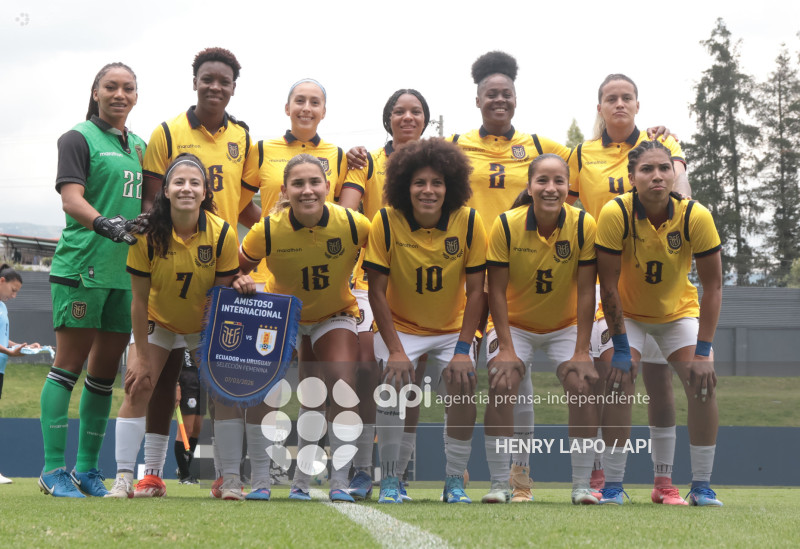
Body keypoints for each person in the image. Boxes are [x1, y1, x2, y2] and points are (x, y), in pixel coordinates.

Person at [140, 47, 259, 493]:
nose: (215, 87)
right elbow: (153, 202)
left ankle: (227, 475)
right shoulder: (166, 132)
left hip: (222, 270)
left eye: (224, 81)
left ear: (233, 88)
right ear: (195, 81)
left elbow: (246, 206)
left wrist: (271, 235)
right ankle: (151, 472)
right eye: (207, 78)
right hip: (173, 265)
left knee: (224, 378)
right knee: (161, 377)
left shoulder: (242, 138)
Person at [567, 73, 689, 503]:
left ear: (638, 104)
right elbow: (561, 205)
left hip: (660, 285)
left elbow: (683, 195)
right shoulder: (580, 154)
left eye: (627, 97)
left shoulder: (662, 144)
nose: (619, 104)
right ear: (599, 108)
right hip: (608, 283)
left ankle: (663, 481)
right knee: (610, 376)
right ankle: (601, 474)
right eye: (610, 99)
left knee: (659, 382)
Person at [594, 139, 723, 506]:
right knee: (619, 380)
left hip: (676, 313)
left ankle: (701, 486)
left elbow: (713, 287)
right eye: (647, 170)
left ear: (673, 174)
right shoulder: (614, 212)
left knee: (703, 384)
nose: (657, 176)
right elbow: (608, 285)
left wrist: (703, 352)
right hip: (627, 314)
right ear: (632, 177)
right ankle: (614, 486)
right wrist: (620, 348)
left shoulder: (695, 215)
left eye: (664, 168)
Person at [235, 153, 370, 502]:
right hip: (284, 314)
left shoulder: (354, 224)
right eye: (298, 183)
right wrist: (241, 280)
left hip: (333, 313)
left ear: (328, 187)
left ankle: (337, 481)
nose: (307, 190)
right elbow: (235, 267)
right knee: (265, 388)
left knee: (342, 384)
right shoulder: (267, 228)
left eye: (314, 182)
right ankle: (262, 480)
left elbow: (385, 260)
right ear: (285, 189)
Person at [39, 62, 145, 498]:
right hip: (82, 268)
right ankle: (51, 470)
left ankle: (86, 470)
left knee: (103, 377)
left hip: (125, 276)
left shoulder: (140, 146)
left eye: (128, 88)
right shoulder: (78, 138)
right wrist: (104, 223)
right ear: (96, 92)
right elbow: (71, 198)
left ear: (136, 96)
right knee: (67, 368)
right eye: (111, 87)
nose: (120, 94)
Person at [107, 153, 241, 498]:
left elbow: (221, 296)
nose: (186, 188)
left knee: (225, 392)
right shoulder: (146, 234)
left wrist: (212, 347)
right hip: (159, 319)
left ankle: (228, 477)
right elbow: (138, 300)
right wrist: (137, 355)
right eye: (178, 182)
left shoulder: (222, 232)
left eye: (194, 182)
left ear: (204, 191)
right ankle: (129, 477)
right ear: (165, 190)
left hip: (203, 324)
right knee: (139, 384)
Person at [362, 138, 486, 504]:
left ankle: (454, 480)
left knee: (463, 385)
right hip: (401, 326)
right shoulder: (386, 220)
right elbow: (376, 293)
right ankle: (390, 479)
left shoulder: (469, 221)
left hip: (452, 329)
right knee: (393, 386)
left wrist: (464, 349)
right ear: (405, 185)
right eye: (419, 183)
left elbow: (478, 292)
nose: (428, 190)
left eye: (437, 183)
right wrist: (397, 351)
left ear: (451, 186)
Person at [483, 154, 600, 504]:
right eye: (543, 181)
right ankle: (505, 484)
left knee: (582, 387)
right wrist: (505, 347)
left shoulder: (583, 224)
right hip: (514, 324)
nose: (551, 188)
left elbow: (585, 291)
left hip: (564, 326)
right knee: (504, 383)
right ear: (530, 186)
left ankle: (581, 485)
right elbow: (497, 292)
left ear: (568, 186)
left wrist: (582, 351)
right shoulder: (505, 224)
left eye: (559, 181)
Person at [338, 89, 431, 500]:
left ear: (426, 120)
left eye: (415, 111)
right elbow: (348, 210)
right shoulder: (368, 161)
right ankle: (361, 469)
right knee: (365, 373)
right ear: (387, 119)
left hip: (419, 285)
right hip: (365, 279)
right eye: (399, 111)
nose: (407, 117)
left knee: (410, 380)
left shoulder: (437, 163)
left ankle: (398, 470)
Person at [1, 264, 41, 484]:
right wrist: (9, 352)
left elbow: (3, 339)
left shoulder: (3, 308)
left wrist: (23, 348)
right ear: (2, 282)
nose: (14, 296)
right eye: (13, 290)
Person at [174, 348, 206, 484]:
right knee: (185, 429)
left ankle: (184, 469)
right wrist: (176, 384)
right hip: (186, 380)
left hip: (202, 379)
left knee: (197, 428)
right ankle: (185, 476)